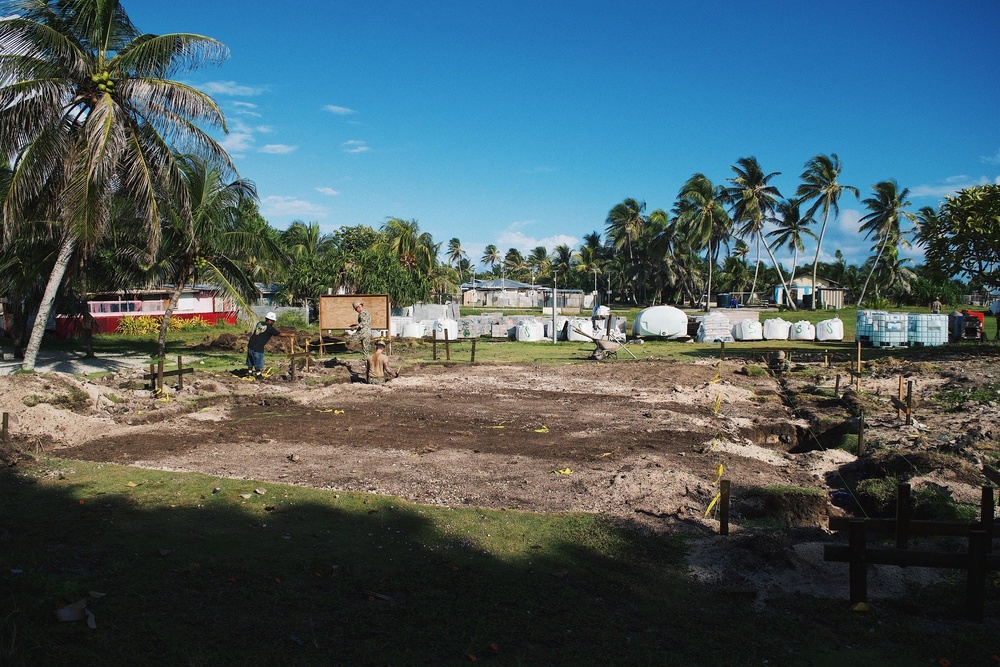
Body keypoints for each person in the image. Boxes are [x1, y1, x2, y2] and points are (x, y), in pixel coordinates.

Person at [246, 311, 292, 379]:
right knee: (258, 360)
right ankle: (258, 375)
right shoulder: (270, 328)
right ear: (270, 320)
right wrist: (290, 335)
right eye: (273, 321)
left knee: (250, 359)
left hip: (251, 344)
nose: (273, 323)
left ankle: (249, 372)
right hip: (258, 346)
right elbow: (280, 334)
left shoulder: (260, 323)